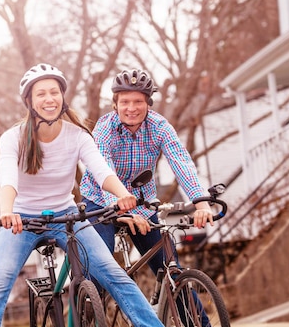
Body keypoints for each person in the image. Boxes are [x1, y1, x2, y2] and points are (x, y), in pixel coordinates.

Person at [0, 63, 164, 327]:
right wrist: (7, 212)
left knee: (114, 275)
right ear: (29, 100)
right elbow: (8, 180)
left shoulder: (78, 136)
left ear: (62, 97)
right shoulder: (12, 138)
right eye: (41, 94)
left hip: (68, 216)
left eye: (54, 92)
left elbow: (101, 171)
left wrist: (122, 195)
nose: (49, 99)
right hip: (22, 220)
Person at [79, 68, 214, 279]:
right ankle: (90, 304)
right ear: (115, 104)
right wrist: (121, 209)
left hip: (142, 203)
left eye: (138, 102)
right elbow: (104, 171)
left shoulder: (159, 126)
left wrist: (201, 204)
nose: (131, 108)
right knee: (101, 267)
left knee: (172, 272)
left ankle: (186, 308)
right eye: (125, 102)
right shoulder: (104, 129)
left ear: (148, 103)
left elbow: (181, 163)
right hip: (101, 202)